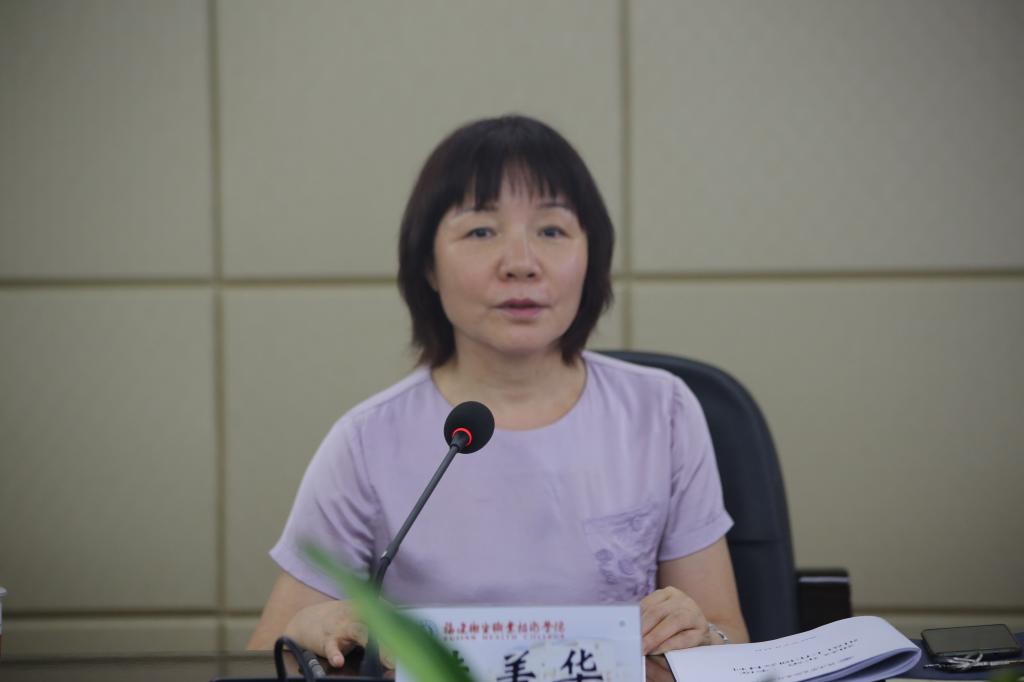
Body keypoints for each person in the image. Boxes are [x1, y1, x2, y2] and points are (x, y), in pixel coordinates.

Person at [248, 115, 749, 671]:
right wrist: (310, 632)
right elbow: (267, 656)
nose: (520, 264)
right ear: (427, 266)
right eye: (481, 232)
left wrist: (702, 636)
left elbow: (730, 636)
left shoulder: (663, 412)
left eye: (552, 230)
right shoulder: (367, 440)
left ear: (592, 257)